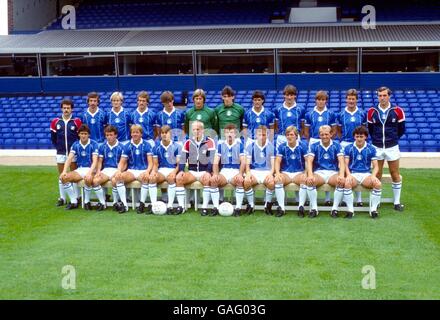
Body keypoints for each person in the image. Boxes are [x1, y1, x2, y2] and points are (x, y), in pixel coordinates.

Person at [367, 86, 406, 211]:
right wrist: (377, 140)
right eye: (380, 95)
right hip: (377, 147)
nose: (382, 98)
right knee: (377, 174)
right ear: (377, 96)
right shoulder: (372, 111)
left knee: (395, 174)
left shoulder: (398, 111)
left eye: (384, 95)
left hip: (392, 147)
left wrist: (392, 139)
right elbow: (371, 129)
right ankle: (376, 202)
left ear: (389, 96)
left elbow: (401, 130)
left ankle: (397, 202)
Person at [304, 90, 337, 205]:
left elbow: (334, 129)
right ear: (316, 100)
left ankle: (328, 198)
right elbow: (306, 131)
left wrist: (329, 138)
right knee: (312, 166)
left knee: (327, 164)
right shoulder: (309, 114)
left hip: (327, 140)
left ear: (326, 101)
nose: (321, 102)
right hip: (314, 140)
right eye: (319, 99)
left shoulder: (331, 113)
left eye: (323, 99)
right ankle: (309, 198)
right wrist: (311, 141)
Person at [176, 121, 216, 216]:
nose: (196, 131)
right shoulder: (188, 142)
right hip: (192, 172)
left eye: (198, 129)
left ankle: (204, 207)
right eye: (194, 130)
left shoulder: (210, 141)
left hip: (204, 171)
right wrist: (181, 170)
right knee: (179, 179)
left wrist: (208, 172)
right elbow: (182, 159)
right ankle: (181, 207)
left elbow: (212, 159)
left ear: (202, 130)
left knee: (207, 179)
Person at [305, 125, 345, 218]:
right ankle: (314, 209)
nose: (324, 136)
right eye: (322, 134)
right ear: (319, 135)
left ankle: (334, 209)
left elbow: (342, 162)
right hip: (319, 172)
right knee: (310, 182)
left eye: (326, 134)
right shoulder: (314, 146)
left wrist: (341, 175)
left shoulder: (337, 145)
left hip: (332, 173)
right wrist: (310, 175)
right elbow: (309, 161)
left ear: (331, 134)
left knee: (340, 182)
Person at [337, 89, 367, 206]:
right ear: (346, 99)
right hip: (345, 143)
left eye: (353, 99)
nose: (351, 101)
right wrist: (343, 140)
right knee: (344, 170)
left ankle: (359, 199)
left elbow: (364, 129)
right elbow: (339, 130)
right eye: (349, 99)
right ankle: (345, 198)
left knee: (357, 168)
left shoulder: (362, 113)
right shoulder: (341, 114)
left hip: (358, 144)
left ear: (356, 100)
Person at [343, 126, 382, 219]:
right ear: (354, 137)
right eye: (357, 136)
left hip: (366, 174)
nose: (359, 138)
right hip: (353, 174)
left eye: (361, 136)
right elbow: (345, 164)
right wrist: (348, 175)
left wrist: (373, 176)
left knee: (378, 184)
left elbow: (376, 166)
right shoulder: (348, 148)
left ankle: (373, 210)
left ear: (365, 137)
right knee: (347, 183)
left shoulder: (371, 148)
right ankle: (350, 210)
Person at [114, 125, 154, 214]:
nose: (134, 134)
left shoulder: (147, 145)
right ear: (130, 134)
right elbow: (122, 162)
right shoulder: (127, 145)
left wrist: (147, 172)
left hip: (143, 170)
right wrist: (119, 171)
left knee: (145, 178)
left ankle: (142, 204)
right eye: (133, 132)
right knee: (118, 178)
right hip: (131, 171)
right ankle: (124, 205)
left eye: (137, 132)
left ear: (141, 134)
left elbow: (151, 163)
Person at [50, 99, 82, 207]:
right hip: (61, 152)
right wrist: (59, 147)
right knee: (61, 175)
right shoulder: (55, 122)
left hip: (73, 153)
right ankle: (62, 198)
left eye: (68, 108)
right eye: (64, 108)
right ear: (61, 109)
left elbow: (79, 137)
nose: (66, 110)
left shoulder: (76, 121)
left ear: (72, 109)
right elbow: (53, 138)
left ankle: (77, 197)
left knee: (73, 175)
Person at [60, 124, 99, 210]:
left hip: (91, 169)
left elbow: (95, 161)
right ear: (79, 134)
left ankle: (86, 202)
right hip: (80, 169)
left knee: (88, 179)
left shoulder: (94, 144)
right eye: (82, 133)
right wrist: (64, 171)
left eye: (85, 134)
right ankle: (74, 201)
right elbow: (69, 158)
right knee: (63, 178)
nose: (83, 135)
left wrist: (90, 173)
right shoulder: (75, 144)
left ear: (88, 134)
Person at [210, 124, 246, 217]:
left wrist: (240, 174)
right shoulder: (220, 145)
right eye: (227, 132)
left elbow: (243, 162)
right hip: (224, 171)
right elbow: (215, 162)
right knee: (214, 181)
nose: (229, 134)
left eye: (232, 132)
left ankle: (238, 208)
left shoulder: (240, 145)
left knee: (240, 181)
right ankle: (216, 207)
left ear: (235, 134)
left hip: (235, 171)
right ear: (224, 134)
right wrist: (215, 174)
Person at [274, 126, 309, 218]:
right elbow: (277, 161)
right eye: (287, 135)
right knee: (278, 180)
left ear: (296, 136)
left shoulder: (303, 146)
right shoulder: (282, 146)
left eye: (292, 135)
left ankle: (301, 207)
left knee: (304, 181)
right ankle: (281, 208)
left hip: (298, 173)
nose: (289, 137)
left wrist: (306, 173)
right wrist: (277, 173)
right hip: (286, 173)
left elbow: (307, 161)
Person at [149, 125, 182, 215]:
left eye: (166, 133)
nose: (164, 135)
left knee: (171, 178)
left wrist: (174, 172)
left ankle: (170, 206)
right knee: (152, 178)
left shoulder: (177, 146)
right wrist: (153, 172)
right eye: (162, 133)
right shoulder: (156, 147)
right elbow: (155, 164)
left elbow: (179, 165)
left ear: (170, 134)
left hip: (172, 169)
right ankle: (153, 205)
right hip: (161, 170)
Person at [244, 125, 276, 215]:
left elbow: (273, 165)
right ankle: (251, 205)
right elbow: (247, 164)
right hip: (254, 171)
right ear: (256, 135)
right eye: (259, 134)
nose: (261, 137)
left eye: (264, 135)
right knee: (246, 182)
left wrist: (270, 174)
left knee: (271, 183)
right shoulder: (251, 146)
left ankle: (267, 205)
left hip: (266, 171)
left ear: (267, 135)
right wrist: (248, 173)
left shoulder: (271, 147)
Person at [92, 125, 124, 212]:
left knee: (115, 181)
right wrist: (98, 171)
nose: (109, 137)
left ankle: (115, 202)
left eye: (111, 135)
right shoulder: (102, 146)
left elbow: (123, 162)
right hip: (106, 170)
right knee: (95, 181)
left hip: (116, 169)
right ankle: (102, 203)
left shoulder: (122, 147)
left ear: (116, 135)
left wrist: (119, 171)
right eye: (107, 135)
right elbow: (100, 161)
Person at [274, 84, 305, 149]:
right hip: (282, 138)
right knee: (280, 158)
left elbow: (303, 127)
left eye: (291, 95)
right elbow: (276, 126)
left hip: (295, 137)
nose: (289, 97)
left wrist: (297, 135)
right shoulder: (278, 109)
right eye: (287, 95)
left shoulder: (300, 109)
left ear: (295, 96)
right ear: (284, 95)